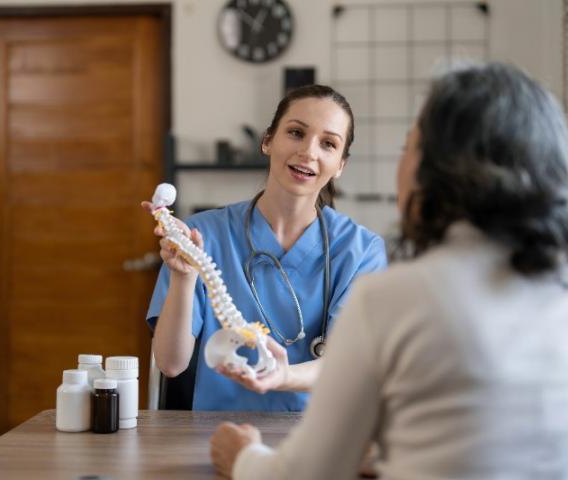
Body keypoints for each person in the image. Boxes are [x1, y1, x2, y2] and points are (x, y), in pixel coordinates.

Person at [210, 62, 568, 479]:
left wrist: (242, 456)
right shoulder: (555, 295)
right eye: (296, 132)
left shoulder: (392, 298)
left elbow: (306, 473)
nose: (309, 151)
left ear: (437, 171)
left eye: (409, 146)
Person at [145, 85, 387, 411]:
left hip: (315, 440)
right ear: (268, 140)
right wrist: (184, 278)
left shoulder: (360, 251)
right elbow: (170, 364)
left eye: (328, 144)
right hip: (212, 438)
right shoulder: (201, 237)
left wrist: (281, 376)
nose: (309, 152)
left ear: (340, 164)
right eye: (296, 133)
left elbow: (351, 363)